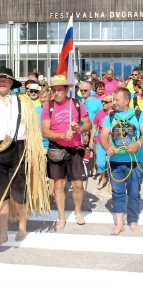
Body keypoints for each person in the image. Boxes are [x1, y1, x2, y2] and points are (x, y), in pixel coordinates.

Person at [0, 66, 49, 248]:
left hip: (17, 150)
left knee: (19, 192)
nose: (2, 82)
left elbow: (31, 130)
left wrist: (32, 153)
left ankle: (22, 226)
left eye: (6, 80)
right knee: (0, 194)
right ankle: (3, 233)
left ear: (11, 83)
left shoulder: (24, 102)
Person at [42, 75, 92, 231]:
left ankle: (77, 211)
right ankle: (61, 216)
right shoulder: (48, 106)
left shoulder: (76, 104)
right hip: (56, 149)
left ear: (67, 90)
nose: (56, 93)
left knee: (78, 184)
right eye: (54, 90)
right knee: (59, 184)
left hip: (75, 148)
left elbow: (88, 124)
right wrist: (62, 135)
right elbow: (45, 132)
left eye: (59, 90)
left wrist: (80, 128)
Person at [99, 88, 143, 235]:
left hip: (135, 161)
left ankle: (133, 219)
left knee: (134, 192)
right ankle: (120, 223)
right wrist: (107, 147)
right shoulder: (109, 117)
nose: (113, 102)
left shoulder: (139, 115)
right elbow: (103, 135)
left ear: (126, 101)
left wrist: (138, 145)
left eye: (117, 100)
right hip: (116, 161)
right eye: (113, 99)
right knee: (118, 192)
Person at [90, 94, 114, 190]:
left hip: (112, 142)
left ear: (112, 103)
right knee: (100, 163)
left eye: (106, 102)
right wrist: (91, 140)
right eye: (102, 101)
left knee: (111, 163)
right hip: (100, 141)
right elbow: (95, 126)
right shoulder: (100, 113)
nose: (103, 103)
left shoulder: (117, 114)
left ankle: (111, 182)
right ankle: (103, 178)